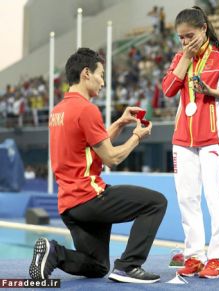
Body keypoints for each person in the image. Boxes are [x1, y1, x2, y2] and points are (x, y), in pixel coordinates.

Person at [28, 48, 167, 284]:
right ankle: (129, 266)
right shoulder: (86, 109)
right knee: (156, 202)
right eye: (101, 74)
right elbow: (111, 157)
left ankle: (54, 253)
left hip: (69, 206)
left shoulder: (58, 111)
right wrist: (137, 137)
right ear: (86, 73)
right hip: (90, 196)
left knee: (98, 266)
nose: (103, 82)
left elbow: (92, 145)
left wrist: (121, 122)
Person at [162, 6, 219, 279]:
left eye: (190, 35)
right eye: (181, 38)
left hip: (213, 138)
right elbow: (167, 90)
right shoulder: (180, 58)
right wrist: (185, 58)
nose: (186, 42)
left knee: (214, 197)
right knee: (187, 199)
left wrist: (213, 91)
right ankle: (195, 255)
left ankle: (218, 259)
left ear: (203, 29)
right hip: (182, 138)